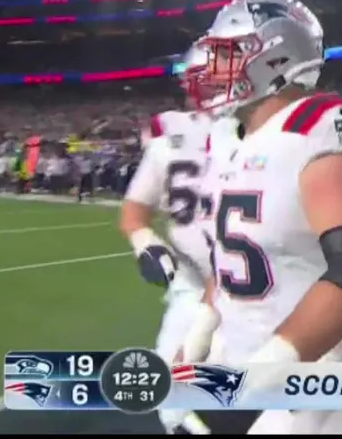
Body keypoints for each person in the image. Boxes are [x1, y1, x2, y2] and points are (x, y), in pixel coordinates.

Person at [174, 0, 342, 435]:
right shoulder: (226, 137)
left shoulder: (320, 126)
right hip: (236, 356)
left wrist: (267, 372)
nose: (211, 69)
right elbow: (231, 256)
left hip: (316, 369)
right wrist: (201, 329)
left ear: (274, 59)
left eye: (226, 56)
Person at [118, 43, 223, 435]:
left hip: (255, 289)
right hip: (192, 283)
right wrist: (146, 244)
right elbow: (134, 211)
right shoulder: (168, 137)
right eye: (202, 80)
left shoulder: (262, 136)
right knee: (172, 404)